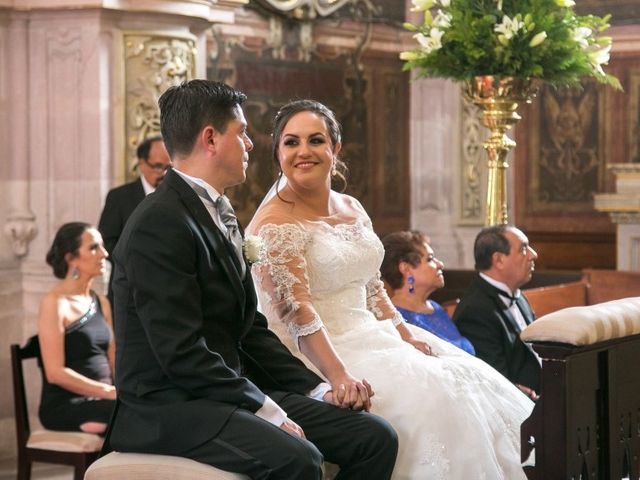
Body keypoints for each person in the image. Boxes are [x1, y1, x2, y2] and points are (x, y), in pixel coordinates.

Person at [104, 80, 398, 480]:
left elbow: (250, 331)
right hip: (171, 406)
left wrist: (316, 390)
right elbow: (180, 351)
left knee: (374, 437)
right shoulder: (158, 224)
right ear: (210, 138)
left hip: (224, 392)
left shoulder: (218, 213)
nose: (250, 145)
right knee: (299, 458)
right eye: (241, 132)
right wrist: (265, 408)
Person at [247, 99, 535, 480]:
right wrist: (338, 376)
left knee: (469, 380)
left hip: (375, 333)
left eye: (316, 140)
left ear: (335, 149)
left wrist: (404, 335)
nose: (304, 151)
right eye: (291, 142)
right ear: (277, 153)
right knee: (436, 398)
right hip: (320, 350)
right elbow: (297, 312)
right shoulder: (275, 222)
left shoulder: (352, 207)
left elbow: (372, 287)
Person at [38, 222, 116, 434]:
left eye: (102, 246)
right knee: (130, 414)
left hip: (105, 398)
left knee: (149, 407)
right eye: (93, 247)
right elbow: (55, 373)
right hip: (67, 405)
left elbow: (114, 360)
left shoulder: (102, 302)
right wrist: (107, 392)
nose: (104, 253)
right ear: (70, 258)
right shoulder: (54, 303)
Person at [453, 224, 542, 401]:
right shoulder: (476, 311)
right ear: (499, 260)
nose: (533, 254)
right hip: (520, 406)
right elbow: (495, 382)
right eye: (524, 249)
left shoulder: (517, 295)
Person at [98, 136, 171, 303]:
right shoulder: (119, 197)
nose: (165, 174)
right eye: (158, 167)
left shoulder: (179, 197)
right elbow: (107, 242)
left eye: (169, 168)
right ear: (142, 164)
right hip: (129, 291)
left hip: (168, 292)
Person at [381, 230, 475, 355]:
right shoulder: (394, 318)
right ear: (406, 268)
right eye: (430, 259)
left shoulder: (436, 308)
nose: (440, 264)